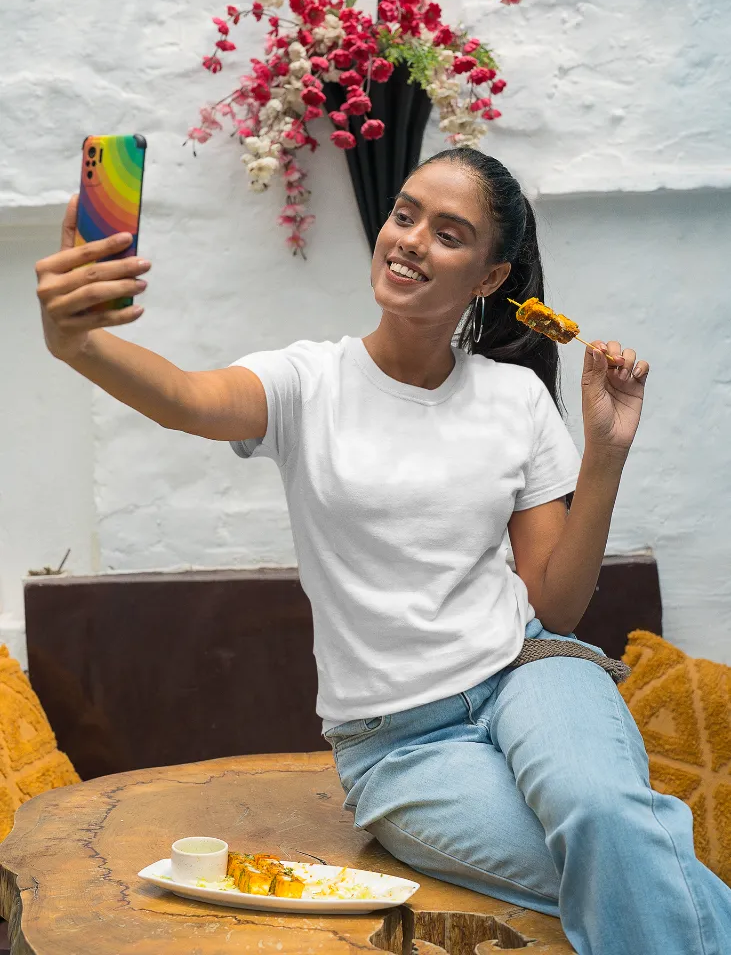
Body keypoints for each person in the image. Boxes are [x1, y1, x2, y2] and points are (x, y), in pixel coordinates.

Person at [35, 148, 730, 954]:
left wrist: (603, 456)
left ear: (489, 275)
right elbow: (186, 399)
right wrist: (76, 344)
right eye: (404, 215)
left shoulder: (516, 398)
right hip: (400, 747)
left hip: (532, 673)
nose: (408, 239)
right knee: (634, 859)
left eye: (447, 232)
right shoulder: (306, 383)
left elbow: (556, 606)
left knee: (608, 820)